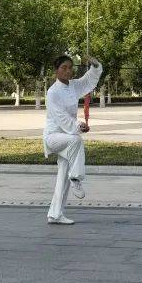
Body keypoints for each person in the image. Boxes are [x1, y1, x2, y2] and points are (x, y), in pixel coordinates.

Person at [43, 53, 102, 225]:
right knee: (76, 140)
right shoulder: (52, 92)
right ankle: (76, 177)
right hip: (54, 137)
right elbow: (61, 118)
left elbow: (89, 81)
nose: (68, 71)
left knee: (62, 177)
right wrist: (77, 126)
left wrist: (95, 65)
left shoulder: (74, 86)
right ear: (56, 71)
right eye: (64, 68)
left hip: (67, 136)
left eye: (70, 68)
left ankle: (55, 214)